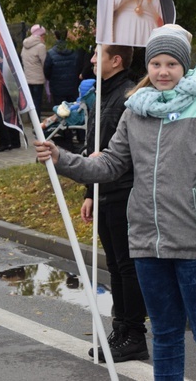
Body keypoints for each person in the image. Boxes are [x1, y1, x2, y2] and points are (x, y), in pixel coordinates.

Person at [35, 25, 196, 380]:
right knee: (166, 335)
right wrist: (60, 157)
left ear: (184, 67)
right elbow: (110, 164)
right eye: (155, 63)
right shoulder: (136, 110)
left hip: (194, 247)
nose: (162, 71)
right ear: (147, 66)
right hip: (146, 246)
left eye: (171, 64)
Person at [73, 44, 149, 363]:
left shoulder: (128, 96)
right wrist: (90, 193)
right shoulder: (105, 93)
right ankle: (120, 329)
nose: (91, 60)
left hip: (123, 192)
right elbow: (96, 145)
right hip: (104, 190)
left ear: (115, 61)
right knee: (116, 266)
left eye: (97, 55)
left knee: (128, 266)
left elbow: (124, 152)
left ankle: (133, 335)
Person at [44, 28, 82, 143]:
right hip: (73, 86)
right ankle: (81, 136)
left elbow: (46, 71)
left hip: (58, 87)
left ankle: (66, 137)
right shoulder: (75, 51)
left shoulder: (50, 53)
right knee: (77, 111)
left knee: (61, 112)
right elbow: (78, 66)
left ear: (55, 36)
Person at [21, 24, 48, 118]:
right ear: (40, 35)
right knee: (37, 102)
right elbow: (45, 63)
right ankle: (37, 123)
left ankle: (31, 120)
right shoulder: (41, 47)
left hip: (27, 78)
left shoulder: (24, 45)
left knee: (31, 102)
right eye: (43, 35)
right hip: (38, 79)